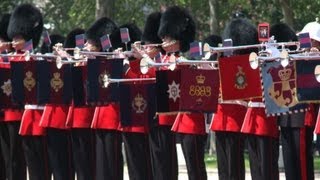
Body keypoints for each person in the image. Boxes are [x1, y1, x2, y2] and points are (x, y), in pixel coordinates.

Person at [158, 6, 207, 180]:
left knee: (195, 166)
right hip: (181, 118)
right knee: (189, 163)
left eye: (168, 37)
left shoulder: (191, 55)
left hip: (192, 119)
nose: (164, 40)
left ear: (178, 38)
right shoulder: (168, 59)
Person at [209, 17, 257, 180]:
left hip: (236, 116)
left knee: (234, 164)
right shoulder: (221, 61)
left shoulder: (241, 64)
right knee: (223, 166)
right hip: (220, 117)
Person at [7, 4, 51, 180]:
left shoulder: (36, 56)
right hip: (23, 114)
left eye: (18, 37)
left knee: (40, 160)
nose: (14, 40)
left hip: (36, 114)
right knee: (28, 159)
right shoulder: (11, 57)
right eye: (14, 36)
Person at [273, 22, 317, 180]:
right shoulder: (294, 56)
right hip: (286, 112)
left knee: (302, 163)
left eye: (311, 40)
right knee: (290, 163)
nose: (307, 43)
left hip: (303, 115)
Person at [112, 23, 154, 180]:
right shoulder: (125, 65)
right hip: (128, 121)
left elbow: (144, 80)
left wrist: (141, 58)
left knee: (144, 167)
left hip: (142, 121)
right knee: (133, 168)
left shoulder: (145, 63)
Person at [240, 21, 279, 180]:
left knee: (267, 163)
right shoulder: (250, 61)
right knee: (255, 162)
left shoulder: (272, 60)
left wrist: (270, 53)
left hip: (265, 114)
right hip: (252, 115)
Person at [86, 17, 123, 180]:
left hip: (112, 116)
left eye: (90, 44)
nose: (86, 46)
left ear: (99, 45)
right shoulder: (94, 63)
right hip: (100, 116)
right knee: (101, 162)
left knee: (112, 160)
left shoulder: (112, 62)